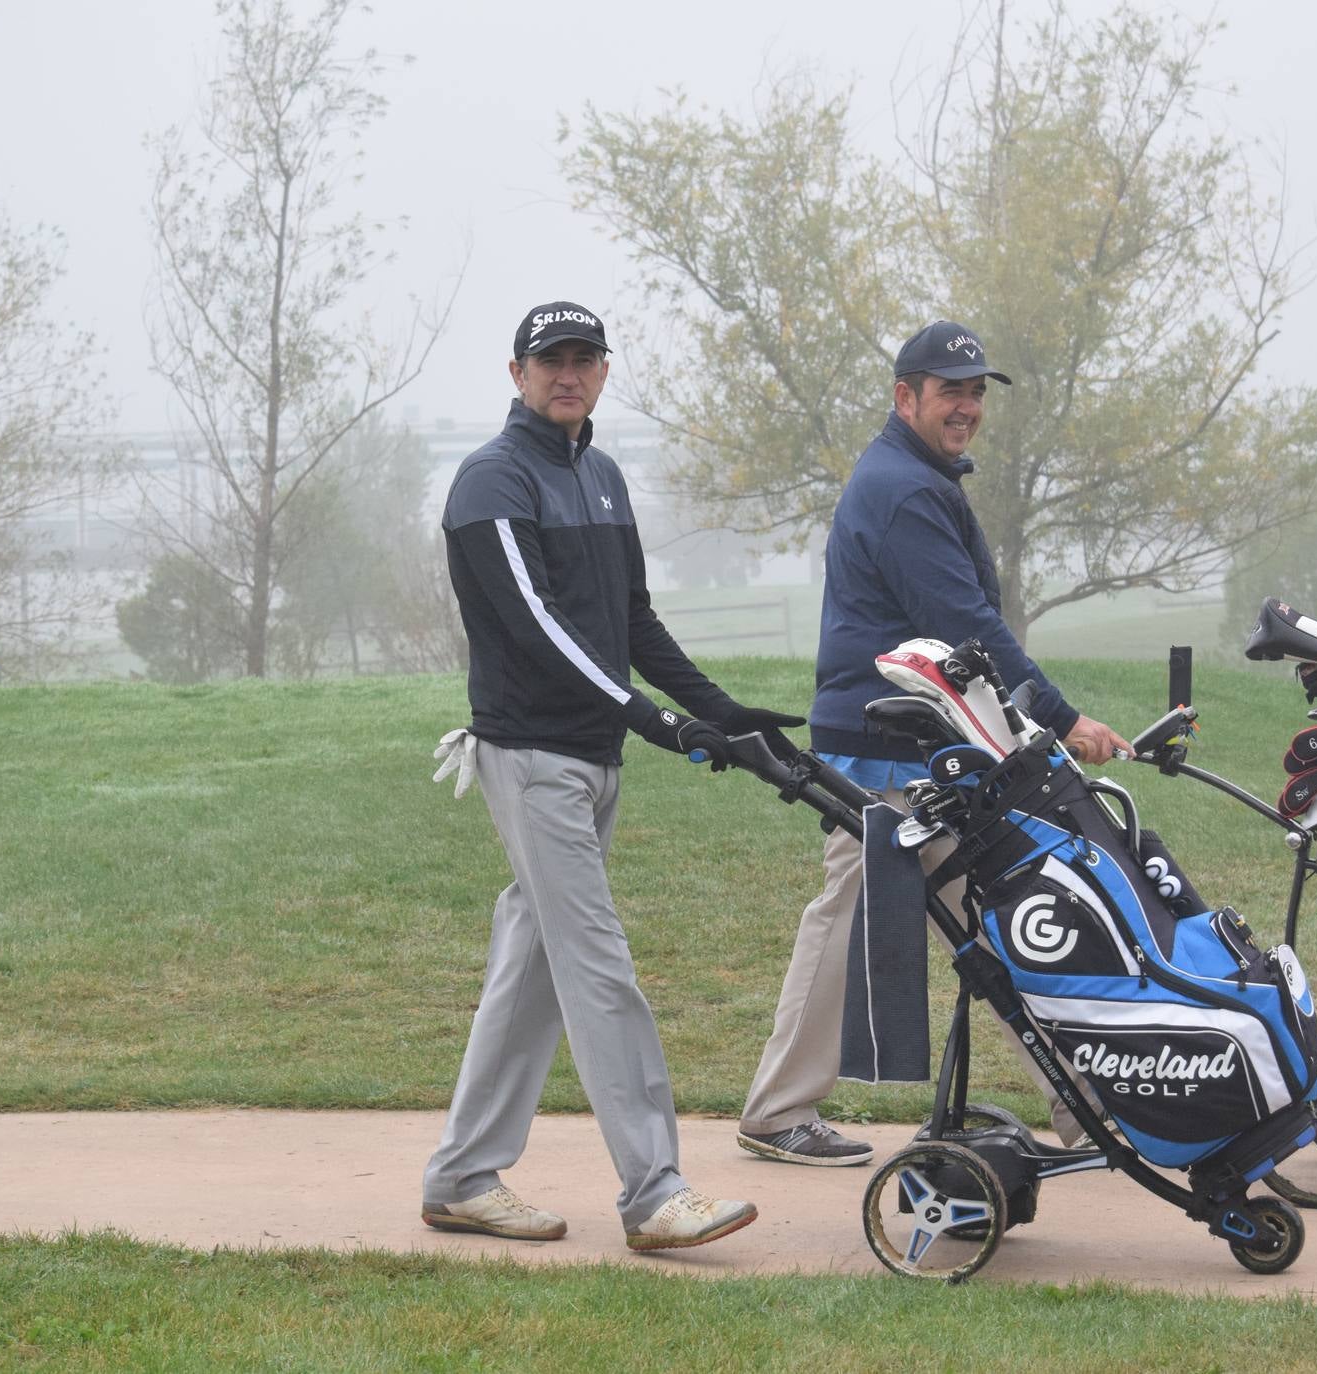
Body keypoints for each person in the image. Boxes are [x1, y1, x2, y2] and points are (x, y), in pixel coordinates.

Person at [421, 300, 801, 1251]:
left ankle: (464, 1175)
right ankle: (653, 1192)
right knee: (597, 964)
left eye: (585, 359)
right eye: (550, 359)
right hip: (532, 754)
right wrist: (655, 721)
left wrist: (718, 712)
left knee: (535, 963)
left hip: (591, 757)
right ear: (517, 373)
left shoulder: (600, 475)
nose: (569, 373)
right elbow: (540, 632)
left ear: (601, 373)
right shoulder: (490, 484)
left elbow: (630, 624)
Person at [736, 319, 1132, 1166]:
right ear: (903, 395)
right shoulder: (905, 489)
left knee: (994, 922)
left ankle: (1088, 1107)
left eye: (975, 392)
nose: (966, 407)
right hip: (888, 750)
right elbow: (963, 625)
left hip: (913, 742)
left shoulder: (912, 476)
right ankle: (1088, 1107)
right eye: (949, 391)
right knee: (887, 921)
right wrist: (1058, 719)